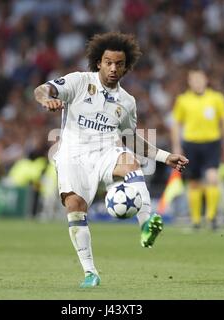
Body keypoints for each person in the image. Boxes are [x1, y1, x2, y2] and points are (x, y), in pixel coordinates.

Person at [33, 32, 188, 288]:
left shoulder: (127, 102)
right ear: (98, 63)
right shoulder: (80, 81)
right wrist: (46, 99)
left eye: (119, 64)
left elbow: (131, 139)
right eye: (108, 62)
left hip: (106, 151)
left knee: (130, 162)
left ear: (126, 67)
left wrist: (165, 156)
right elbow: (43, 88)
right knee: (75, 207)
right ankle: (90, 272)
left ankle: (147, 223)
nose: (113, 68)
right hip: (74, 154)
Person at [171, 69, 224, 230]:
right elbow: (176, 124)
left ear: (206, 80)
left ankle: (211, 218)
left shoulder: (216, 98)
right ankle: (196, 220)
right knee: (194, 182)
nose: (197, 82)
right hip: (191, 144)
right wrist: (177, 146)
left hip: (212, 143)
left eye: (200, 79)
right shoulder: (183, 100)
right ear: (189, 82)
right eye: (194, 79)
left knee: (212, 178)